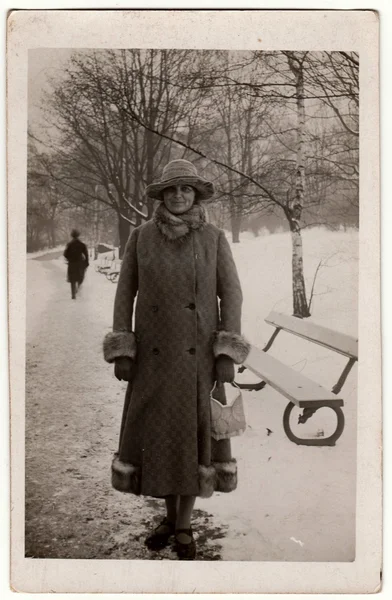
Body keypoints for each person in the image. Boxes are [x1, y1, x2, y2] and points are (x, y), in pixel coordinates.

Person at [103, 159, 249, 560]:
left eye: (186, 189)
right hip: (152, 360)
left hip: (197, 361)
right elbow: (124, 294)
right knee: (161, 441)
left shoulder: (214, 238)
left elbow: (231, 295)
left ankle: (183, 525)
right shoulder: (141, 237)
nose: (179, 195)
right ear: (162, 196)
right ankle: (170, 519)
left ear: (197, 195)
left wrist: (225, 352)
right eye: (172, 190)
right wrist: (123, 348)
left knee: (190, 441)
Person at [63, 229, 89, 299]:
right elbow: (86, 254)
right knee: (80, 277)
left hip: (72, 264)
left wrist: (70, 259)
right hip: (80, 264)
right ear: (78, 235)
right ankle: (78, 287)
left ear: (72, 236)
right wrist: (86, 263)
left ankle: (73, 294)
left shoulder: (69, 244)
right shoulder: (82, 244)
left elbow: (65, 254)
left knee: (72, 280)